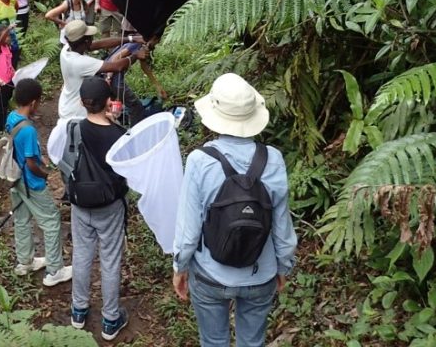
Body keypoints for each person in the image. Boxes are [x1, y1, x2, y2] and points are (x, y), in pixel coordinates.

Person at [172, 73, 298, 347]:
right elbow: (282, 224)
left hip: (209, 275)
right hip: (260, 272)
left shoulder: (199, 161)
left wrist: (180, 267)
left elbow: (188, 228)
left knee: (213, 341)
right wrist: (283, 266)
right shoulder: (273, 159)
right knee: (252, 343)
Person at [69, 77, 130, 342]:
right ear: (108, 102)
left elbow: (66, 162)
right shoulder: (118, 134)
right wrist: (116, 122)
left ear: (83, 103)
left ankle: (78, 311)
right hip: (110, 205)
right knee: (110, 259)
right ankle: (110, 319)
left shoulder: (74, 128)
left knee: (82, 254)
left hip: (80, 202)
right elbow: (128, 170)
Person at [5, 78, 73, 287]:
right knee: (51, 221)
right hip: (31, 183)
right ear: (34, 102)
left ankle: (25, 262)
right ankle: (55, 270)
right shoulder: (28, 129)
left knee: (22, 218)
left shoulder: (11, 117)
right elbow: (31, 162)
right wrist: (45, 174)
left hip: (14, 178)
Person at [58, 20, 147, 122]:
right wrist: (136, 55)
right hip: (76, 114)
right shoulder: (80, 62)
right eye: (90, 37)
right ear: (86, 42)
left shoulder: (67, 49)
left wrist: (131, 39)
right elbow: (117, 66)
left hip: (67, 103)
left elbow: (99, 44)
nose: (93, 39)